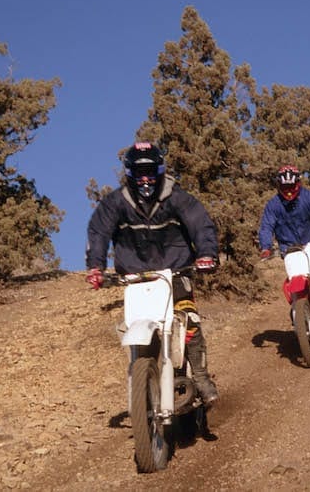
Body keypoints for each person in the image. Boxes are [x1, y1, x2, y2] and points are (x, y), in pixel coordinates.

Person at [85, 141, 220, 406]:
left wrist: (206, 254)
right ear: (129, 174)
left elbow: (200, 224)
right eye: (138, 172)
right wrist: (95, 266)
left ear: (159, 170)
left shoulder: (176, 197)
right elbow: (99, 232)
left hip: (176, 271)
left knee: (189, 318)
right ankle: (143, 379)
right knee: (132, 327)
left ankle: (202, 377)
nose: (145, 178)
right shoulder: (116, 203)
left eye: (149, 171)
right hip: (136, 278)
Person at [258, 165, 310, 320]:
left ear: (298, 183)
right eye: (285, 187)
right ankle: (298, 308)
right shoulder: (273, 205)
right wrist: (265, 247)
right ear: (279, 185)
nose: (289, 191)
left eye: (291, 186)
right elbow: (266, 226)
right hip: (290, 248)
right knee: (294, 278)